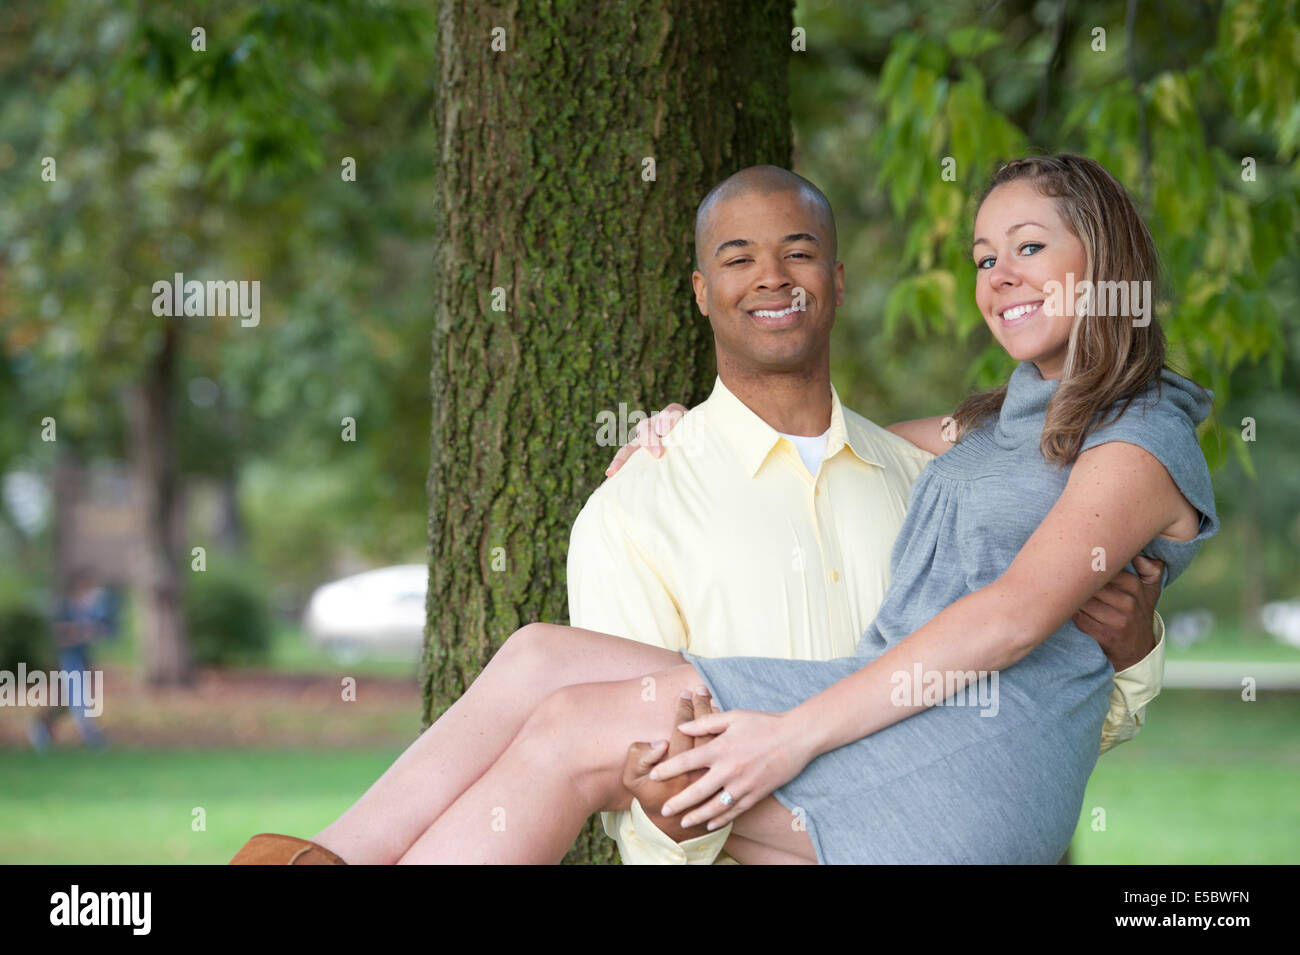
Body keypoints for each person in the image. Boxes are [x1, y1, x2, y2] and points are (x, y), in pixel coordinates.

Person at [231, 153, 1215, 865]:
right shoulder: (1002, 422)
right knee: (542, 656)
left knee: (583, 732)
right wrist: (677, 431)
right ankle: (323, 859)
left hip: (967, 765)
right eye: (982, 255)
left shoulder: (1140, 434)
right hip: (898, 717)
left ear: (1106, 260)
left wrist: (785, 737)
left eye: (1029, 247)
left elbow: (1010, 617)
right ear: (703, 290)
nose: (998, 276)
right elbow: (840, 434)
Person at [568, 168, 1165, 865]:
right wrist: (669, 824)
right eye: (737, 258)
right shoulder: (634, 510)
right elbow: (633, 793)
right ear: (701, 291)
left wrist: (1134, 650)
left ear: (837, 278)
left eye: (798, 251)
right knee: (543, 693)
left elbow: (1044, 719)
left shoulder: (934, 485)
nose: (771, 277)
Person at [27, 567, 110, 751]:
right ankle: (91, 735)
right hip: (68, 661)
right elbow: (59, 635)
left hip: (83, 660)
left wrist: (91, 632)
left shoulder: (90, 609)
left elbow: (100, 630)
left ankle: (42, 729)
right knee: (77, 699)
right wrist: (82, 632)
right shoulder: (65, 608)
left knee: (64, 701)